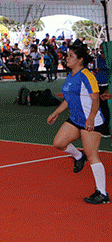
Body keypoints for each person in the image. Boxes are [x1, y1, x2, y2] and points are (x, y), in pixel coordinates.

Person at [47, 44, 109, 204]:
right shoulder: (71, 75)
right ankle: (78, 156)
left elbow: (95, 99)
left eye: (70, 56)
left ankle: (102, 193)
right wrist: (56, 112)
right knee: (59, 143)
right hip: (76, 119)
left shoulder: (86, 75)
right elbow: (69, 99)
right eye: (67, 55)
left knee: (93, 155)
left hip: (92, 121)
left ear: (80, 60)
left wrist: (91, 118)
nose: (66, 58)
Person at [93, 43, 111, 137]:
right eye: (101, 51)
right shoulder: (96, 60)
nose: (102, 54)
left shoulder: (110, 60)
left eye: (103, 51)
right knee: (100, 107)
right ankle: (104, 128)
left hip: (108, 86)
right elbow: (94, 73)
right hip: (98, 86)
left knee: (107, 108)